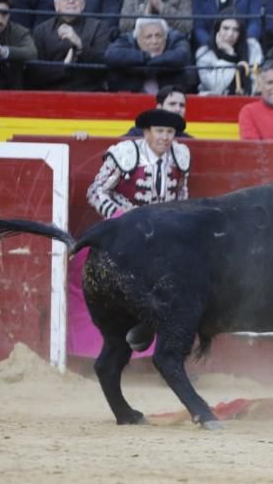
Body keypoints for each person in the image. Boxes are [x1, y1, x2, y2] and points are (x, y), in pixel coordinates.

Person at [70, 107, 191, 359]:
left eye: (170, 132)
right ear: (146, 133)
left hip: (162, 236)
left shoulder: (180, 155)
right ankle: (90, 350)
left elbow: (181, 198)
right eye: (159, 131)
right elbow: (96, 192)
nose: (165, 137)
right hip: (121, 235)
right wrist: (121, 220)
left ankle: (158, 356)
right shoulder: (125, 153)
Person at [29, 0, 111, 92]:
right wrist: (63, 66)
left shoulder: (99, 27)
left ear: (83, 5)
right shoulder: (41, 30)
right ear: (56, 5)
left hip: (89, 93)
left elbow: (104, 69)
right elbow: (35, 74)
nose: (71, 1)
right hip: (52, 94)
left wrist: (80, 45)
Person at [105, 17, 194, 93]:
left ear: (165, 36)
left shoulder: (175, 38)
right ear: (138, 38)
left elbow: (183, 55)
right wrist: (146, 57)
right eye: (148, 37)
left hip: (168, 95)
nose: (154, 41)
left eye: (158, 36)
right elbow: (111, 55)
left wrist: (152, 60)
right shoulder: (127, 39)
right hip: (134, 95)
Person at [196, 15, 263, 95]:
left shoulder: (252, 47)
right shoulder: (204, 52)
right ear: (217, 30)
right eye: (226, 28)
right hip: (217, 102)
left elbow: (256, 85)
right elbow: (216, 88)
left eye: (236, 30)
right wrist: (229, 55)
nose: (230, 34)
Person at [123, 86, 193, 137]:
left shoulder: (187, 139)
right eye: (172, 104)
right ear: (159, 107)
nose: (178, 109)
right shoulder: (138, 133)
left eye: (182, 105)